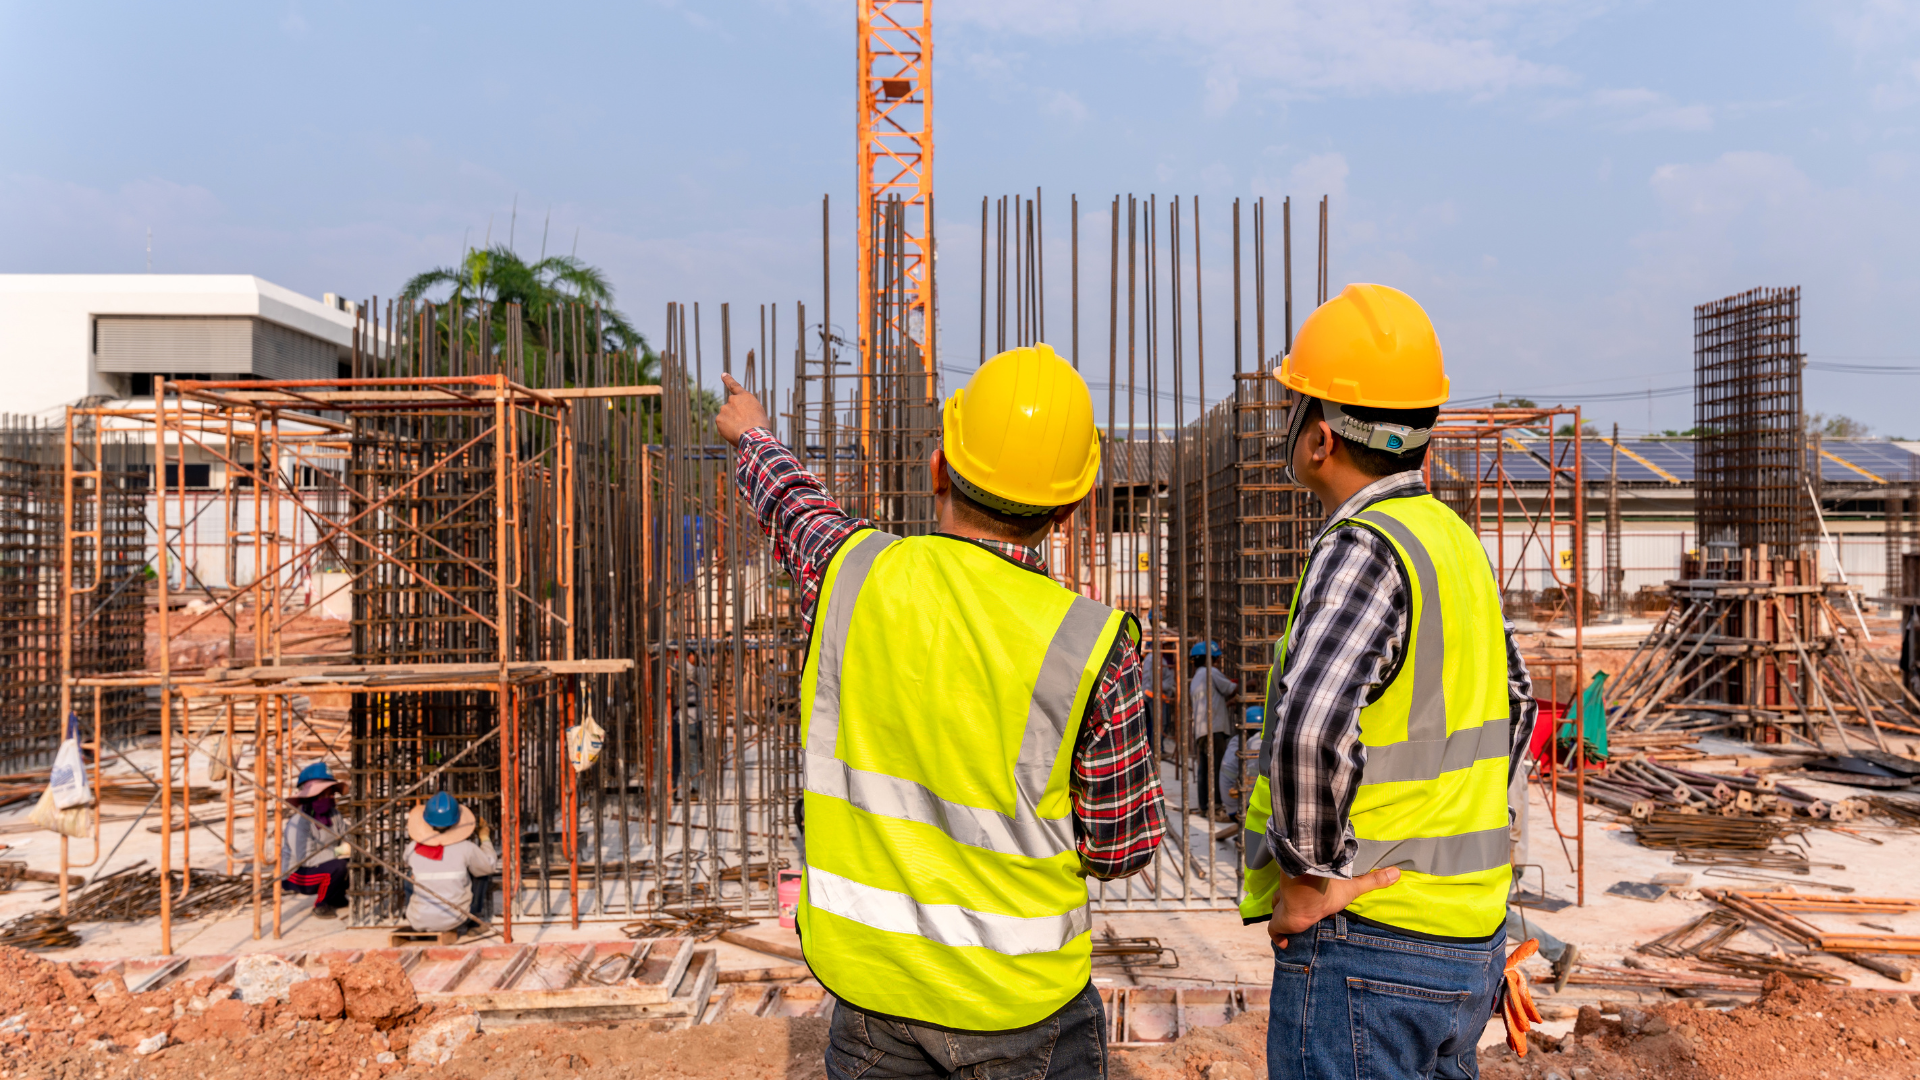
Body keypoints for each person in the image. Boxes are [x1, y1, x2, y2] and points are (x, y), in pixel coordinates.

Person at [715, 343, 1167, 1080]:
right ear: (1073, 506)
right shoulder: (1091, 645)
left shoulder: (853, 574)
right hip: (1023, 1009)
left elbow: (797, 508)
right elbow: (1121, 850)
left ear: (937, 469)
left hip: (876, 997)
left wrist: (752, 434)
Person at [1239, 284, 1539, 1080]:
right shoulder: (1453, 541)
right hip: (1467, 939)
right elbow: (1517, 705)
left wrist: (1308, 878)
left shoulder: (1364, 545)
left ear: (1319, 440)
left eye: (1294, 405)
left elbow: (1311, 726)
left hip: (1370, 938)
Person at [403, 792, 498, 934]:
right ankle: (473, 921)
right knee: (481, 872)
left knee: (410, 874)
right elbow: (489, 866)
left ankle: (411, 912)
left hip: (417, 920)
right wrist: (485, 838)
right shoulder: (467, 847)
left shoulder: (413, 848)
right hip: (455, 919)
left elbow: (406, 861)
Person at [282, 762, 349, 918]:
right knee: (339, 866)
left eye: (331, 794)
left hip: (324, 864)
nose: (330, 798)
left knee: (359, 863)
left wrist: (355, 843)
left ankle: (336, 897)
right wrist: (340, 851)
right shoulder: (299, 822)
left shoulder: (334, 815)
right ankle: (321, 904)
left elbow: (347, 835)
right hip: (298, 872)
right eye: (325, 794)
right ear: (312, 796)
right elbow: (305, 859)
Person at [1188, 641, 1239, 819]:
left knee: (1204, 769)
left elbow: (1212, 702)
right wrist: (1249, 683)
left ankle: (1204, 806)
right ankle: (1217, 808)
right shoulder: (1210, 672)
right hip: (1214, 730)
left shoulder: (1196, 678)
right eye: (1216, 659)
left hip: (1201, 730)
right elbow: (1230, 688)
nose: (1217, 662)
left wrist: (1227, 704)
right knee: (1218, 768)